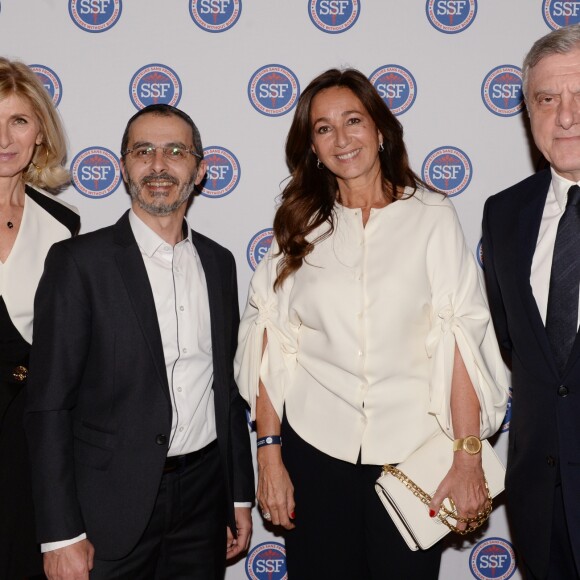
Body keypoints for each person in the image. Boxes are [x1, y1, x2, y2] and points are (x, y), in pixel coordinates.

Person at [235, 68, 509, 579]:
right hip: (314, 452)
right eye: (323, 128)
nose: (341, 139)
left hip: (411, 458)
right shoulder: (299, 225)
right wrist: (269, 458)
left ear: (381, 130)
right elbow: (271, 343)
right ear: (311, 146)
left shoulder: (432, 215)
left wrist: (468, 456)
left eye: (354, 120)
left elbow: (460, 338)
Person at [24, 103, 254, 579]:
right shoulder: (78, 263)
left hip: (203, 501)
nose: (158, 165)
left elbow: (225, 392)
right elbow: (48, 407)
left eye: (175, 151)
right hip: (107, 508)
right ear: (123, 167)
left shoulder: (220, 263)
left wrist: (237, 495)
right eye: (143, 151)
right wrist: (61, 534)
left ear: (200, 169)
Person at [482, 24, 580, 580]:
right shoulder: (504, 214)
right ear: (527, 113)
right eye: (547, 99)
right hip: (539, 499)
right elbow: (506, 344)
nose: (565, 116)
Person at [0, 57, 79, 579]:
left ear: (40, 134)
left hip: (26, 451)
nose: (3, 137)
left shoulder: (64, 226)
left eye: (18, 121)